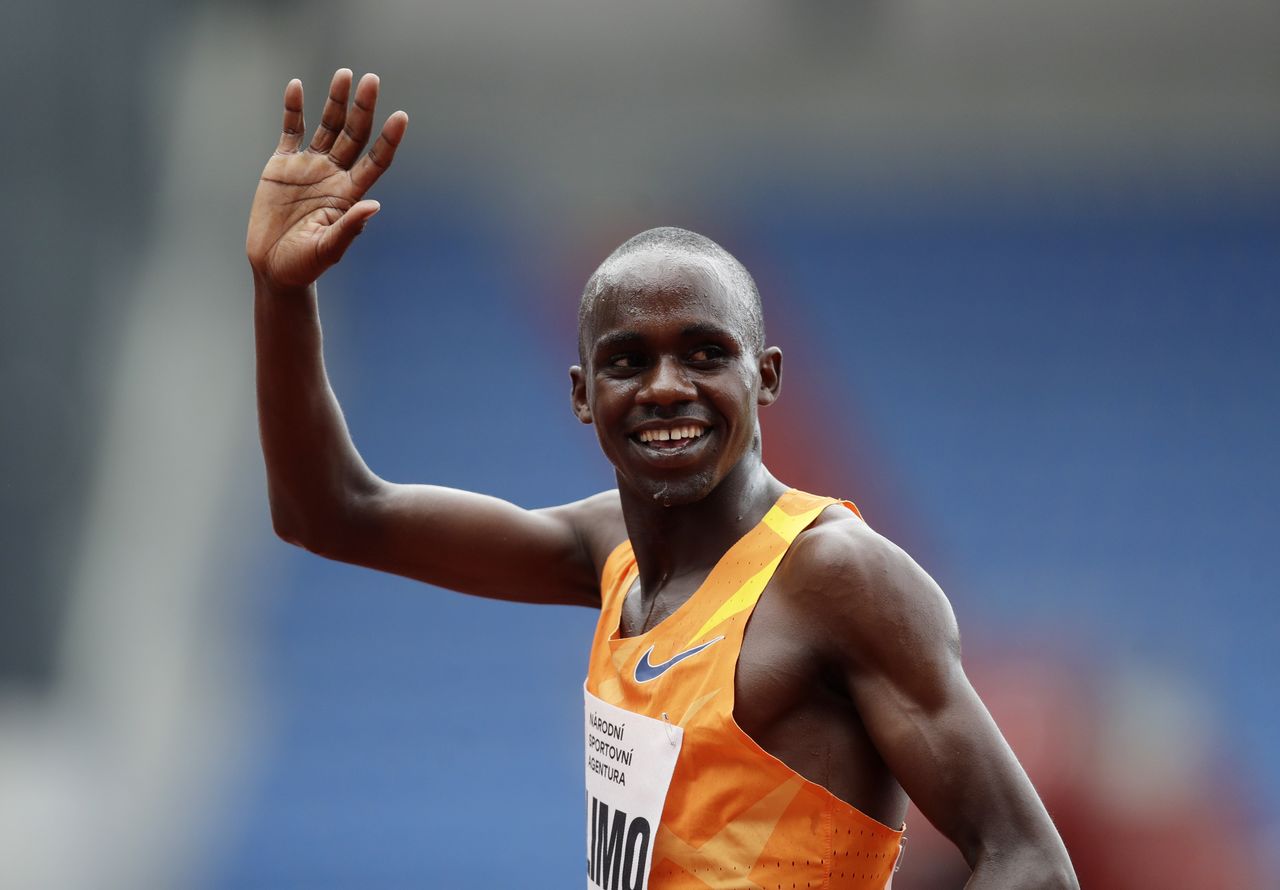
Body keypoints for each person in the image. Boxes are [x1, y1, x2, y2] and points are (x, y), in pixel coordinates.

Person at [247, 69, 1078, 890]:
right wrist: (282, 294)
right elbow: (332, 512)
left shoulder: (838, 579)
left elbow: (1029, 862)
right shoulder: (604, 553)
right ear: (581, 395)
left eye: (706, 353)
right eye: (627, 361)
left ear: (767, 378)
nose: (668, 386)